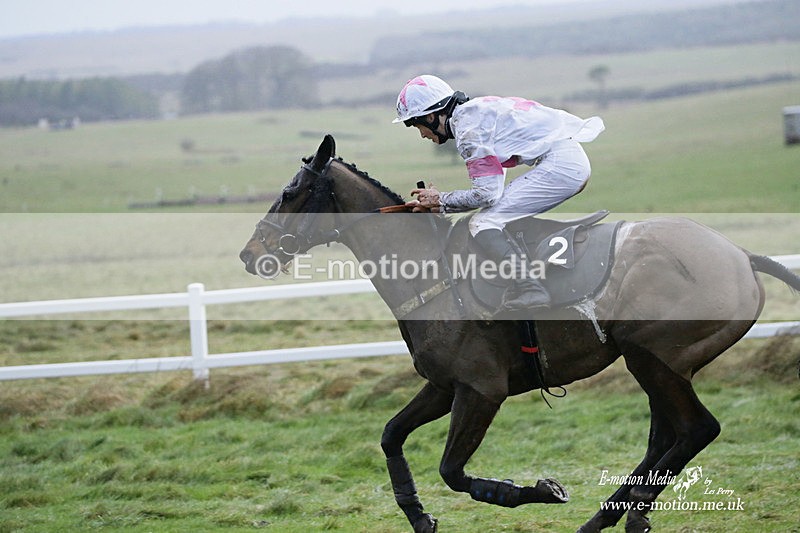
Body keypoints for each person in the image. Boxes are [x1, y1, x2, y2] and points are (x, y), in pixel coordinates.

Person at [394, 74, 604, 312]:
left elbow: (487, 195)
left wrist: (441, 200)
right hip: (566, 159)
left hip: (562, 165)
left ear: (431, 117)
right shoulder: (472, 114)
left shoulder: (468, 131)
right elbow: (494, 183)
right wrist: (440, 204)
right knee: (492, 215)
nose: (422, 134)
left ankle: (530, 287)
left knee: (483, 222)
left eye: (417, 125)